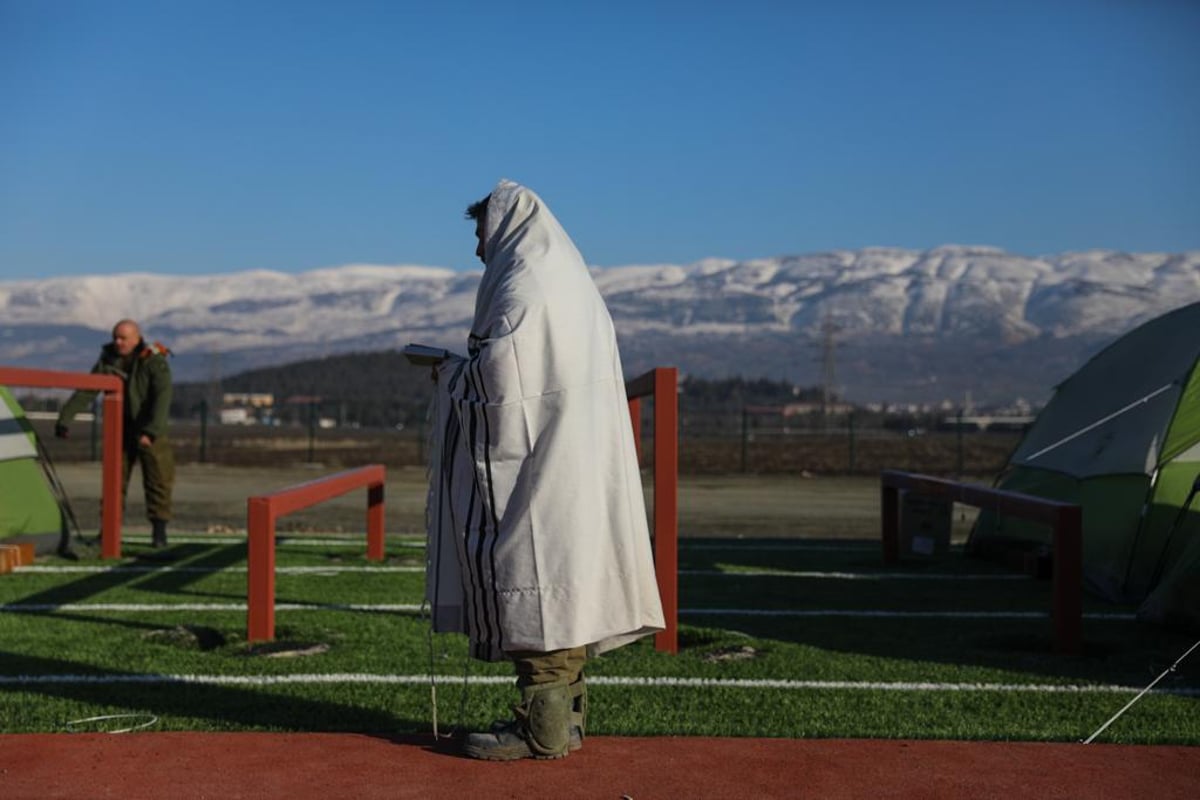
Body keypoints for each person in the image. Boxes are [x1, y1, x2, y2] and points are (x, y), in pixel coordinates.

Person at [425, 180, 664, 761]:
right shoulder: (563, 278)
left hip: (542, 461)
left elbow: (506, 378)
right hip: (569, 455)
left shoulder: (527, 285)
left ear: (503, 225)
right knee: (563, 579)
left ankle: (543, 729)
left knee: (534, 578)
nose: (478, 250)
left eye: (481, 233)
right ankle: (563, 721)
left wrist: (452, 374)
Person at [56, 319, 176, 549]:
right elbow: (88, 389)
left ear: (136, 338)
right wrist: (66, 418)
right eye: (115, 337)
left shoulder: (153, 360)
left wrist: (150, 432)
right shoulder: (108, 359)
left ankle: (159, 532)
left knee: (158, 481)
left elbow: (162, 397)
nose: (118, 342)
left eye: (123, 338)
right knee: (113, 481)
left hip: (151, 430)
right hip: (121, 429)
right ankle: (108, 531)